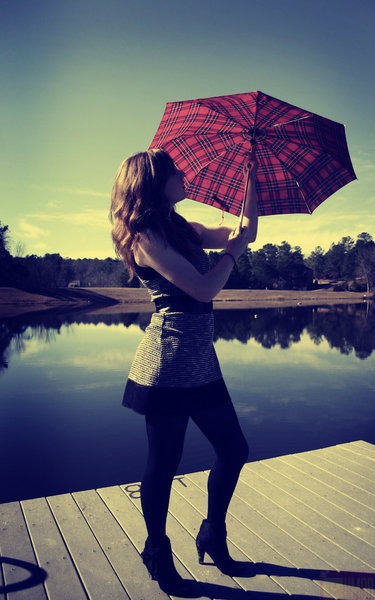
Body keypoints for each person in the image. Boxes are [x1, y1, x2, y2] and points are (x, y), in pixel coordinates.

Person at [110, 148, 258, 595]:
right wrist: (231, 255)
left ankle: (213, 534)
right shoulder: (145, 237)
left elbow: (245, 232)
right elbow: (203, 288)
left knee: (234, 450)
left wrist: (251, 177)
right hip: (168, 362)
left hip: (201, 361)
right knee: (164, 465)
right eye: (175, 170)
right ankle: (157, 552)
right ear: (154, 182)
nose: (184, 173)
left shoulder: (182, 228)